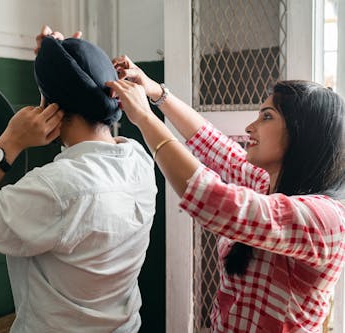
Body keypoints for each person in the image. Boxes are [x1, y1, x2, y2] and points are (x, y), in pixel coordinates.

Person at [0, 32, 157, 332]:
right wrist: (65, 63)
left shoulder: (56, 189)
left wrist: (9, 142)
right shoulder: (138, 159)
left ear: (49, 106)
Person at [105, 55, 345, 331]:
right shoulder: (265, 182)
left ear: (303, 134)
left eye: (267, 116)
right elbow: (212, 143)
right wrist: (157, 92)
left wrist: (145, 118)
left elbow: (213, 199)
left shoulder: (326, 220)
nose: (249, 127)